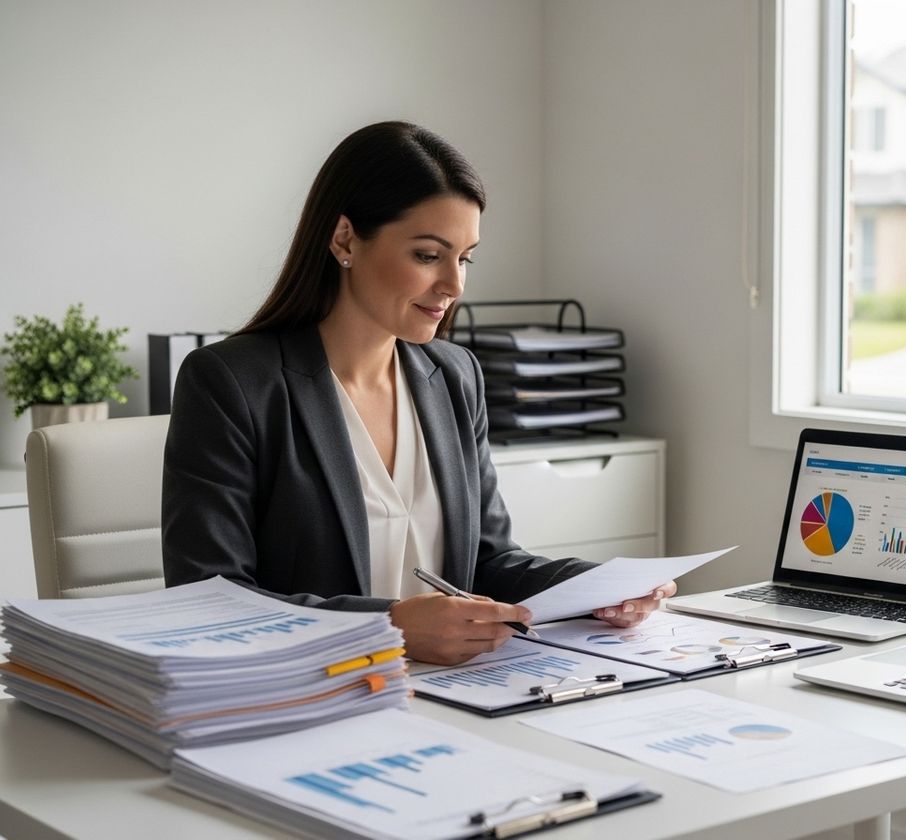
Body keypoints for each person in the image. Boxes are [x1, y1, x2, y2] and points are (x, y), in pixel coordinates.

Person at [162, 121, 675, 664]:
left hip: (452, 694)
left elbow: (487, 563)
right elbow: (209, 601)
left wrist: (598, 587)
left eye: (466, 258)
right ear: (344, 240)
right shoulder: (231, 383)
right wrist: (387, 627)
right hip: (317, 697)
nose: (454, 285)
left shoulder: (454, 375)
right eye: (429, 255)